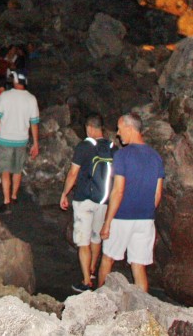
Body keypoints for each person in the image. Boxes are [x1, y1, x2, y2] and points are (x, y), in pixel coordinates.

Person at [97, 112, 165, 293]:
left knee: (107, 259)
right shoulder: (156, 157)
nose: (118, 134)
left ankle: (98, 303)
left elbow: (118, 191)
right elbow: (157, 193)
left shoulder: (122, 155)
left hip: (122, 217)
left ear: (129, 128)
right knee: (138, 266)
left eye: (119, 130)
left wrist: (108, 222)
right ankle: (142, 310)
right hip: (145, 219)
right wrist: (147, 214)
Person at [59, 113, 115, 292]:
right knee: (96, 239)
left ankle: (85, 282)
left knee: (83, 242)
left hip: (83, 199)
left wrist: (64, 193)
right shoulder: (113, 147)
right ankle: (91, 271)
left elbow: (73, 173)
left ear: (89, 128)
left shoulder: (84, 146)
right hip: (103, 200)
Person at [0, 70, 39, 214]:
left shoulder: (4, 96)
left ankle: (6, 202)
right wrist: (35, 143)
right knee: (17, 170)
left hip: (5, 139)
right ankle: (14, 196)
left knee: (5, 171)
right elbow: (34, 123)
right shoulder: (31, 99)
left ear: (15, 81)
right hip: (22, 140)